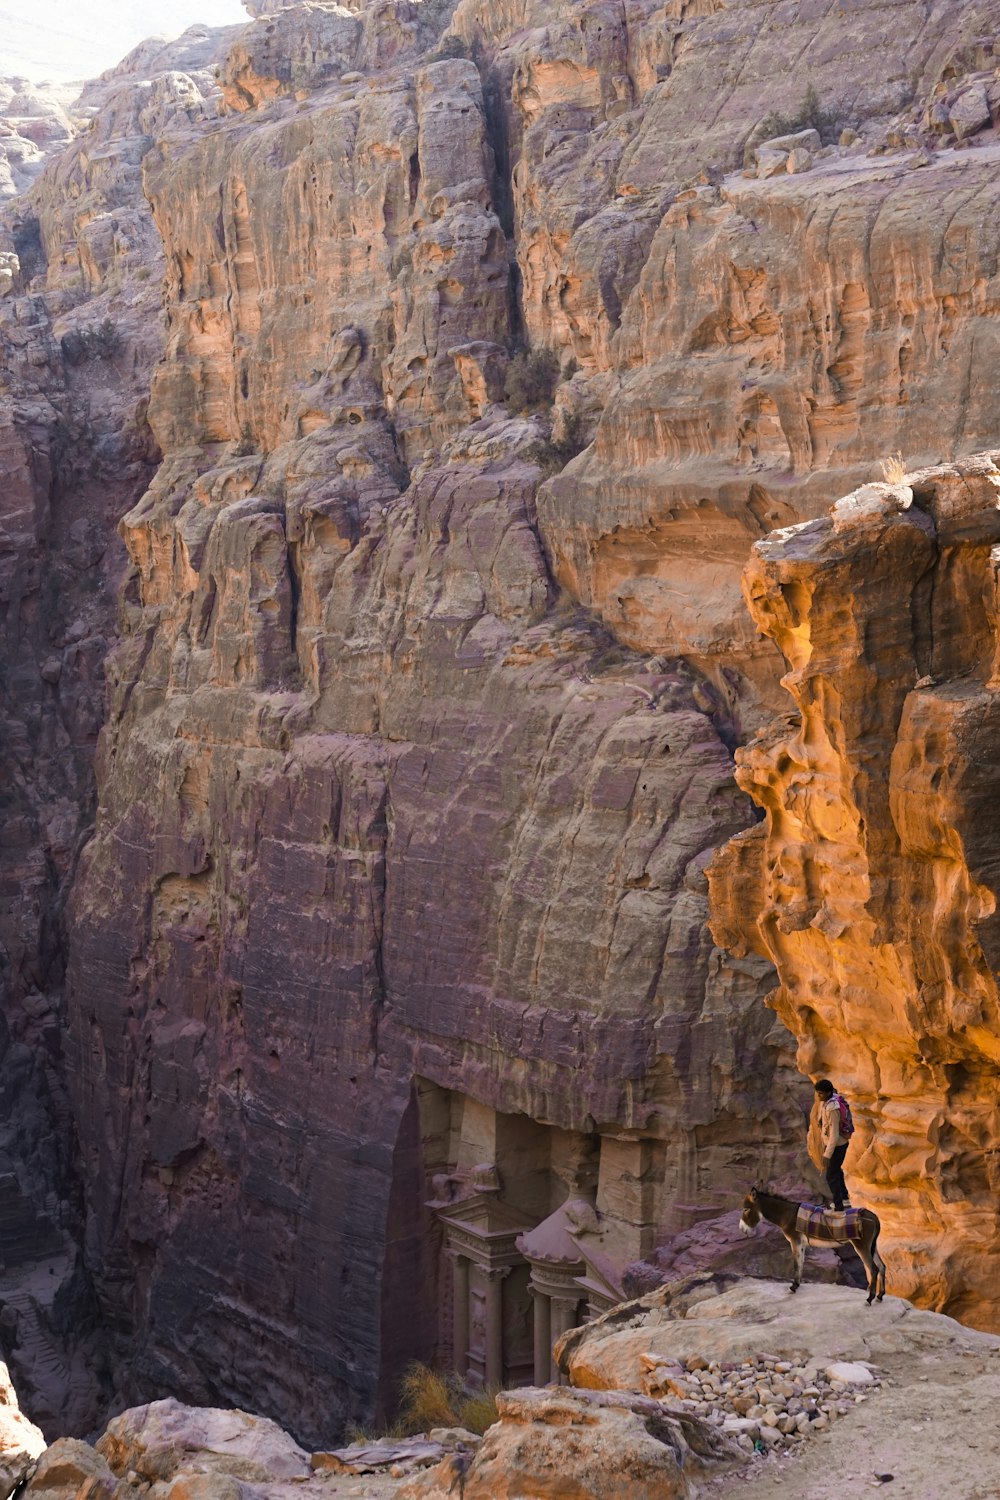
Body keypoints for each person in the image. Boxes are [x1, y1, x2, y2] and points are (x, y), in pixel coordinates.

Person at [814, 1079, 852, 1211]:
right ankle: (845, 1198)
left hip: (838, 1145)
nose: (819, 1096)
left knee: (831, 1175)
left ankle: (839, 1206)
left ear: (829, 1093)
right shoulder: (829, 1101)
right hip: (835, 1144)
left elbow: (834, 1135)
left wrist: (827, 1155)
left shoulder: (832, 1108)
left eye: (821, 1094)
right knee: (836, 1170)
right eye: (817, 1093)